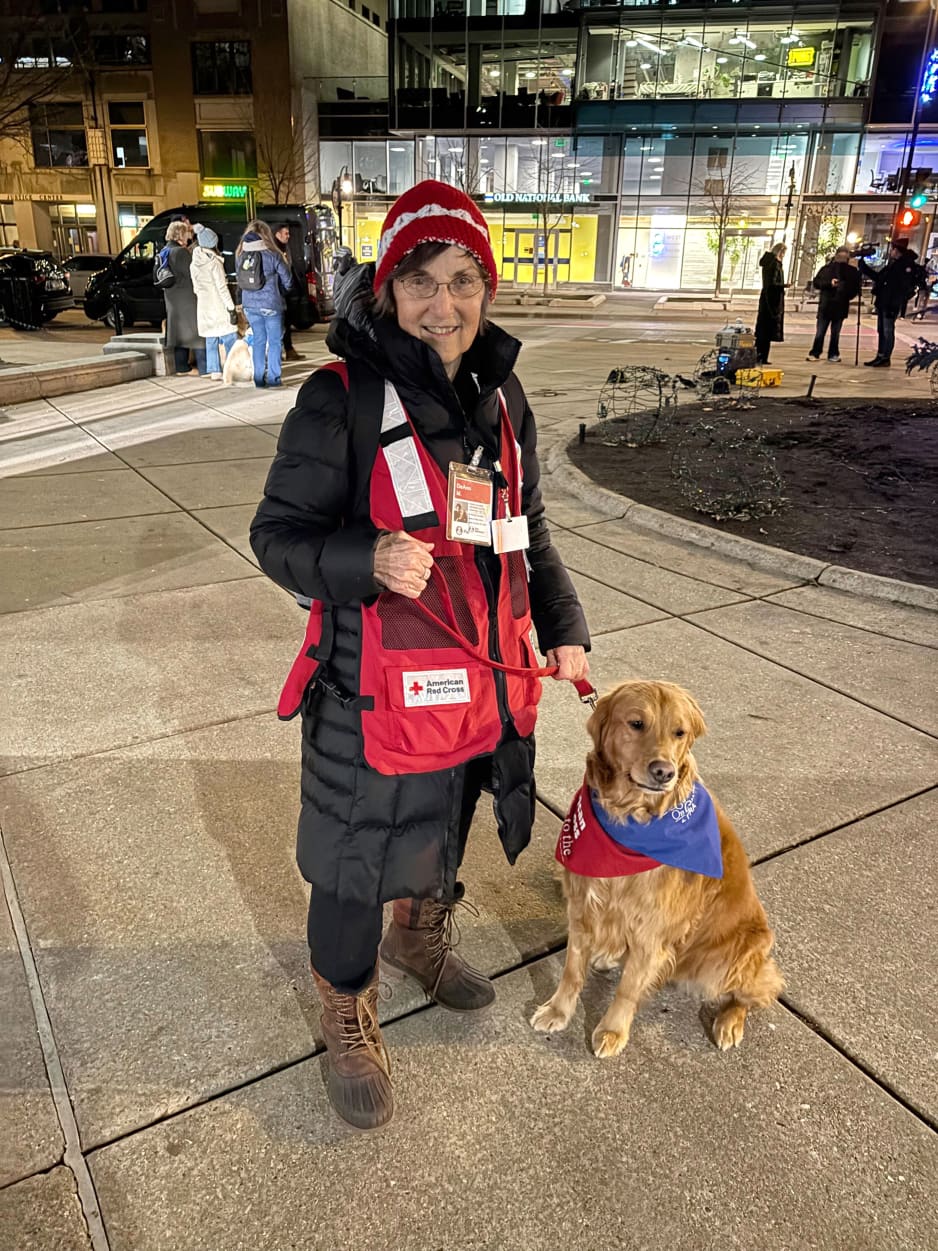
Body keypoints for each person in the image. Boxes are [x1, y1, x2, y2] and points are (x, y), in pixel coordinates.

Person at [250, 180, 590, 1131]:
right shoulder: (340, 398)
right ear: (386, 290)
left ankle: (421, 936)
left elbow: (528, 532)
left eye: (463, 280)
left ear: (486, 286)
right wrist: (365, 557)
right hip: (366, 690)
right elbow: (275, 535)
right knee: (355, 858)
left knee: (443, 828)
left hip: (472, 681)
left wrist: (564, 629)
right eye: (422, 284)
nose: (444, 306)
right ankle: (345, 1002)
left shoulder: (501, 393)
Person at [236, 220, 295, 388]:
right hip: (271, 304)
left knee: (259, 340)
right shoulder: (273, 254)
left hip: (250, 305)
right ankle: (274, 379)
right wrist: (281, 291)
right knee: (275, 341)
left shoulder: (241, 255)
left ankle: (259, 380)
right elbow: (288, 280)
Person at [858, 239, 923, 367]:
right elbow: (880, 278)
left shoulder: (904, 266)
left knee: (888, 331)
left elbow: (900, 287)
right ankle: (880, 355)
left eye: (893, 249)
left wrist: (894, 303)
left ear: (897, 251)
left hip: (891, 304)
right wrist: (863, 267)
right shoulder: (894, 264)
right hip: (883, 302)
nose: (891, 252)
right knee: (881, 330)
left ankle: (885, 357)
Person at [190, 224, 237, 381]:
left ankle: (214, 370)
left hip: (204, 305)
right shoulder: (214, 262)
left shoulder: (194, 263)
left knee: (211, 338)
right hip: (218, 305)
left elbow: (196, 288)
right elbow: (222, 288)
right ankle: (232, 366)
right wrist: (231, 308)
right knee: (229, 336)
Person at [162, 220, 206, 376]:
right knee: (196, 332)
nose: (190, 235)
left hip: (172, 297)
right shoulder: (180, 252)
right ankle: (204, 367)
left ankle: (181, 366)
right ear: (180, 234)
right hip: (186, 297)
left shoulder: (165, 251)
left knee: (178, 332)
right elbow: (192, 274)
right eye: (187, 232)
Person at [807, 246, 861, 363]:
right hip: (827, 305)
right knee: (822, 331)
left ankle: (831, 353)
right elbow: (817, 282)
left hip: (838, 305)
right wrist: (829, 284)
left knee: (834, 332)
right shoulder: (827, 269)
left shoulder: (851, 272)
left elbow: (854, 288)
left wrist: (845, 292)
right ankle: (817, 352)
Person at [273, 223, 305, 362]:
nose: (288, 236)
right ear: (277, 234)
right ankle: (281, 351)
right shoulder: (274, 251)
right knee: (280, 324)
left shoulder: (284, 248)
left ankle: (288, 349)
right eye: (285, 233)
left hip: (286, 294)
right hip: (279, 294)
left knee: (285, 323)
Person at [754, 242, 786, 365]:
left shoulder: (770, 263)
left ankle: (761, 356)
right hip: (771, 301)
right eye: (783, 253)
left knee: (764, 330)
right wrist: (783, 286)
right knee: (766, 330)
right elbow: (772, 283)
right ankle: (761, 356)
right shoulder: (774, 264)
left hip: (769, 299)